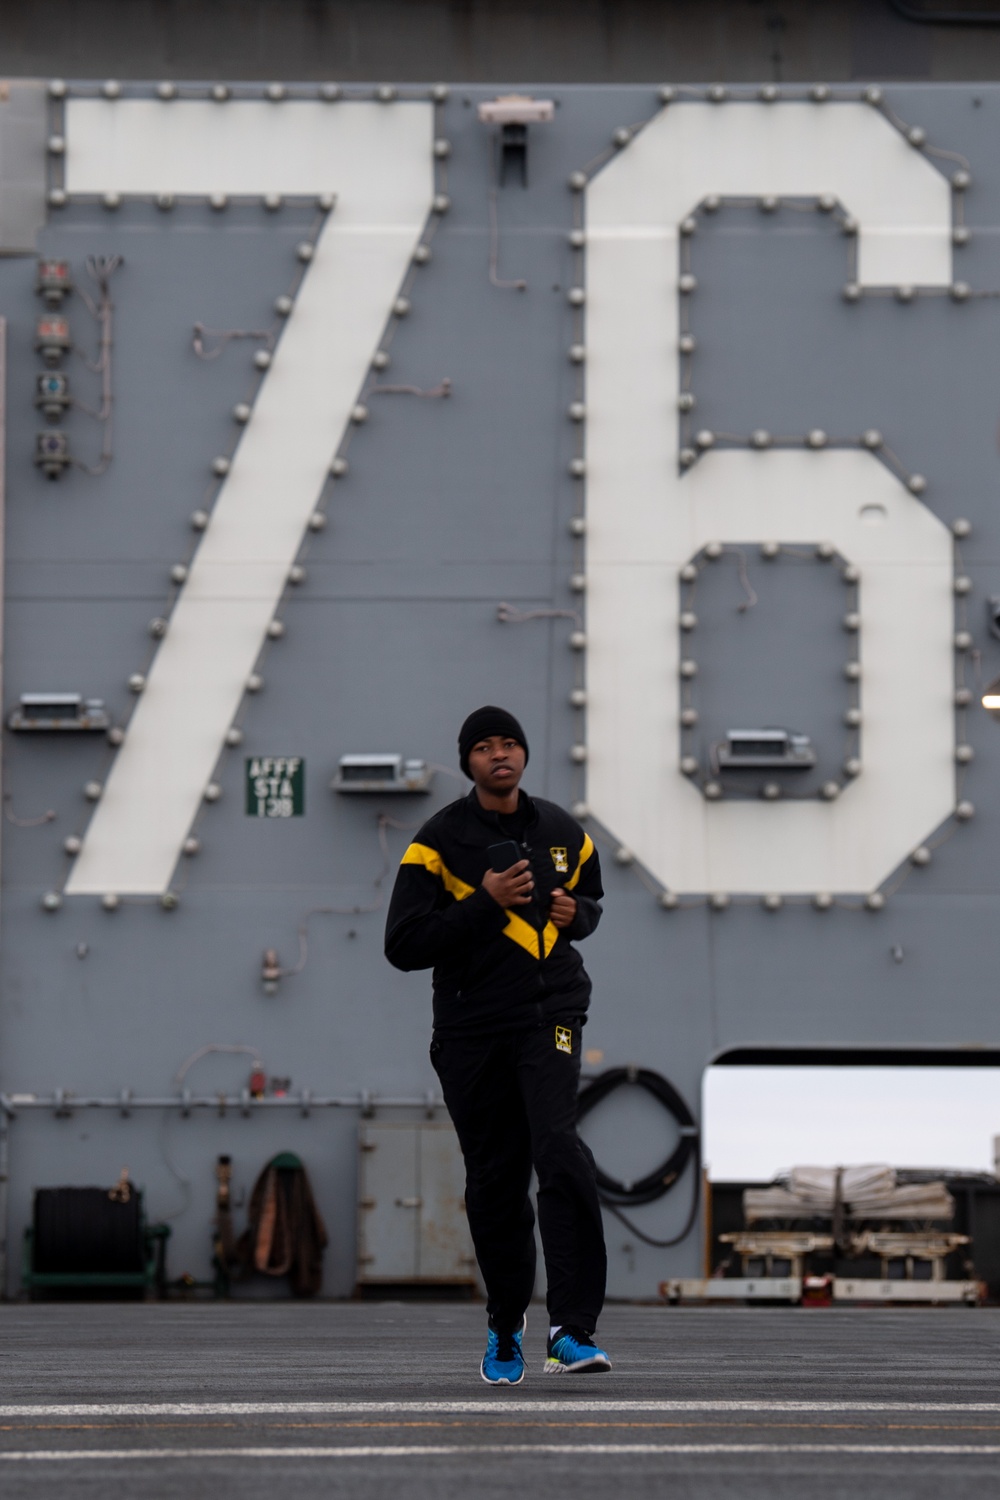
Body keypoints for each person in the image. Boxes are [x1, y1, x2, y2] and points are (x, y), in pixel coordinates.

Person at [384, 705, 610, 1384]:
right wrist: (484, 901)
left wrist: (580, 915)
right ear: (468, 762)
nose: (499, 755)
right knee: (495, 1179)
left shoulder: (564, 831)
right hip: (471, 1028)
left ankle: (570, 1331)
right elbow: (403, 946)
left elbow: (589, 904)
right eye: (484, 747)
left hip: (552, 1016)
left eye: (508, 743)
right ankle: (507, 1324)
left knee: (560, 1150)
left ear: (524, 756)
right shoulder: (437, 841)